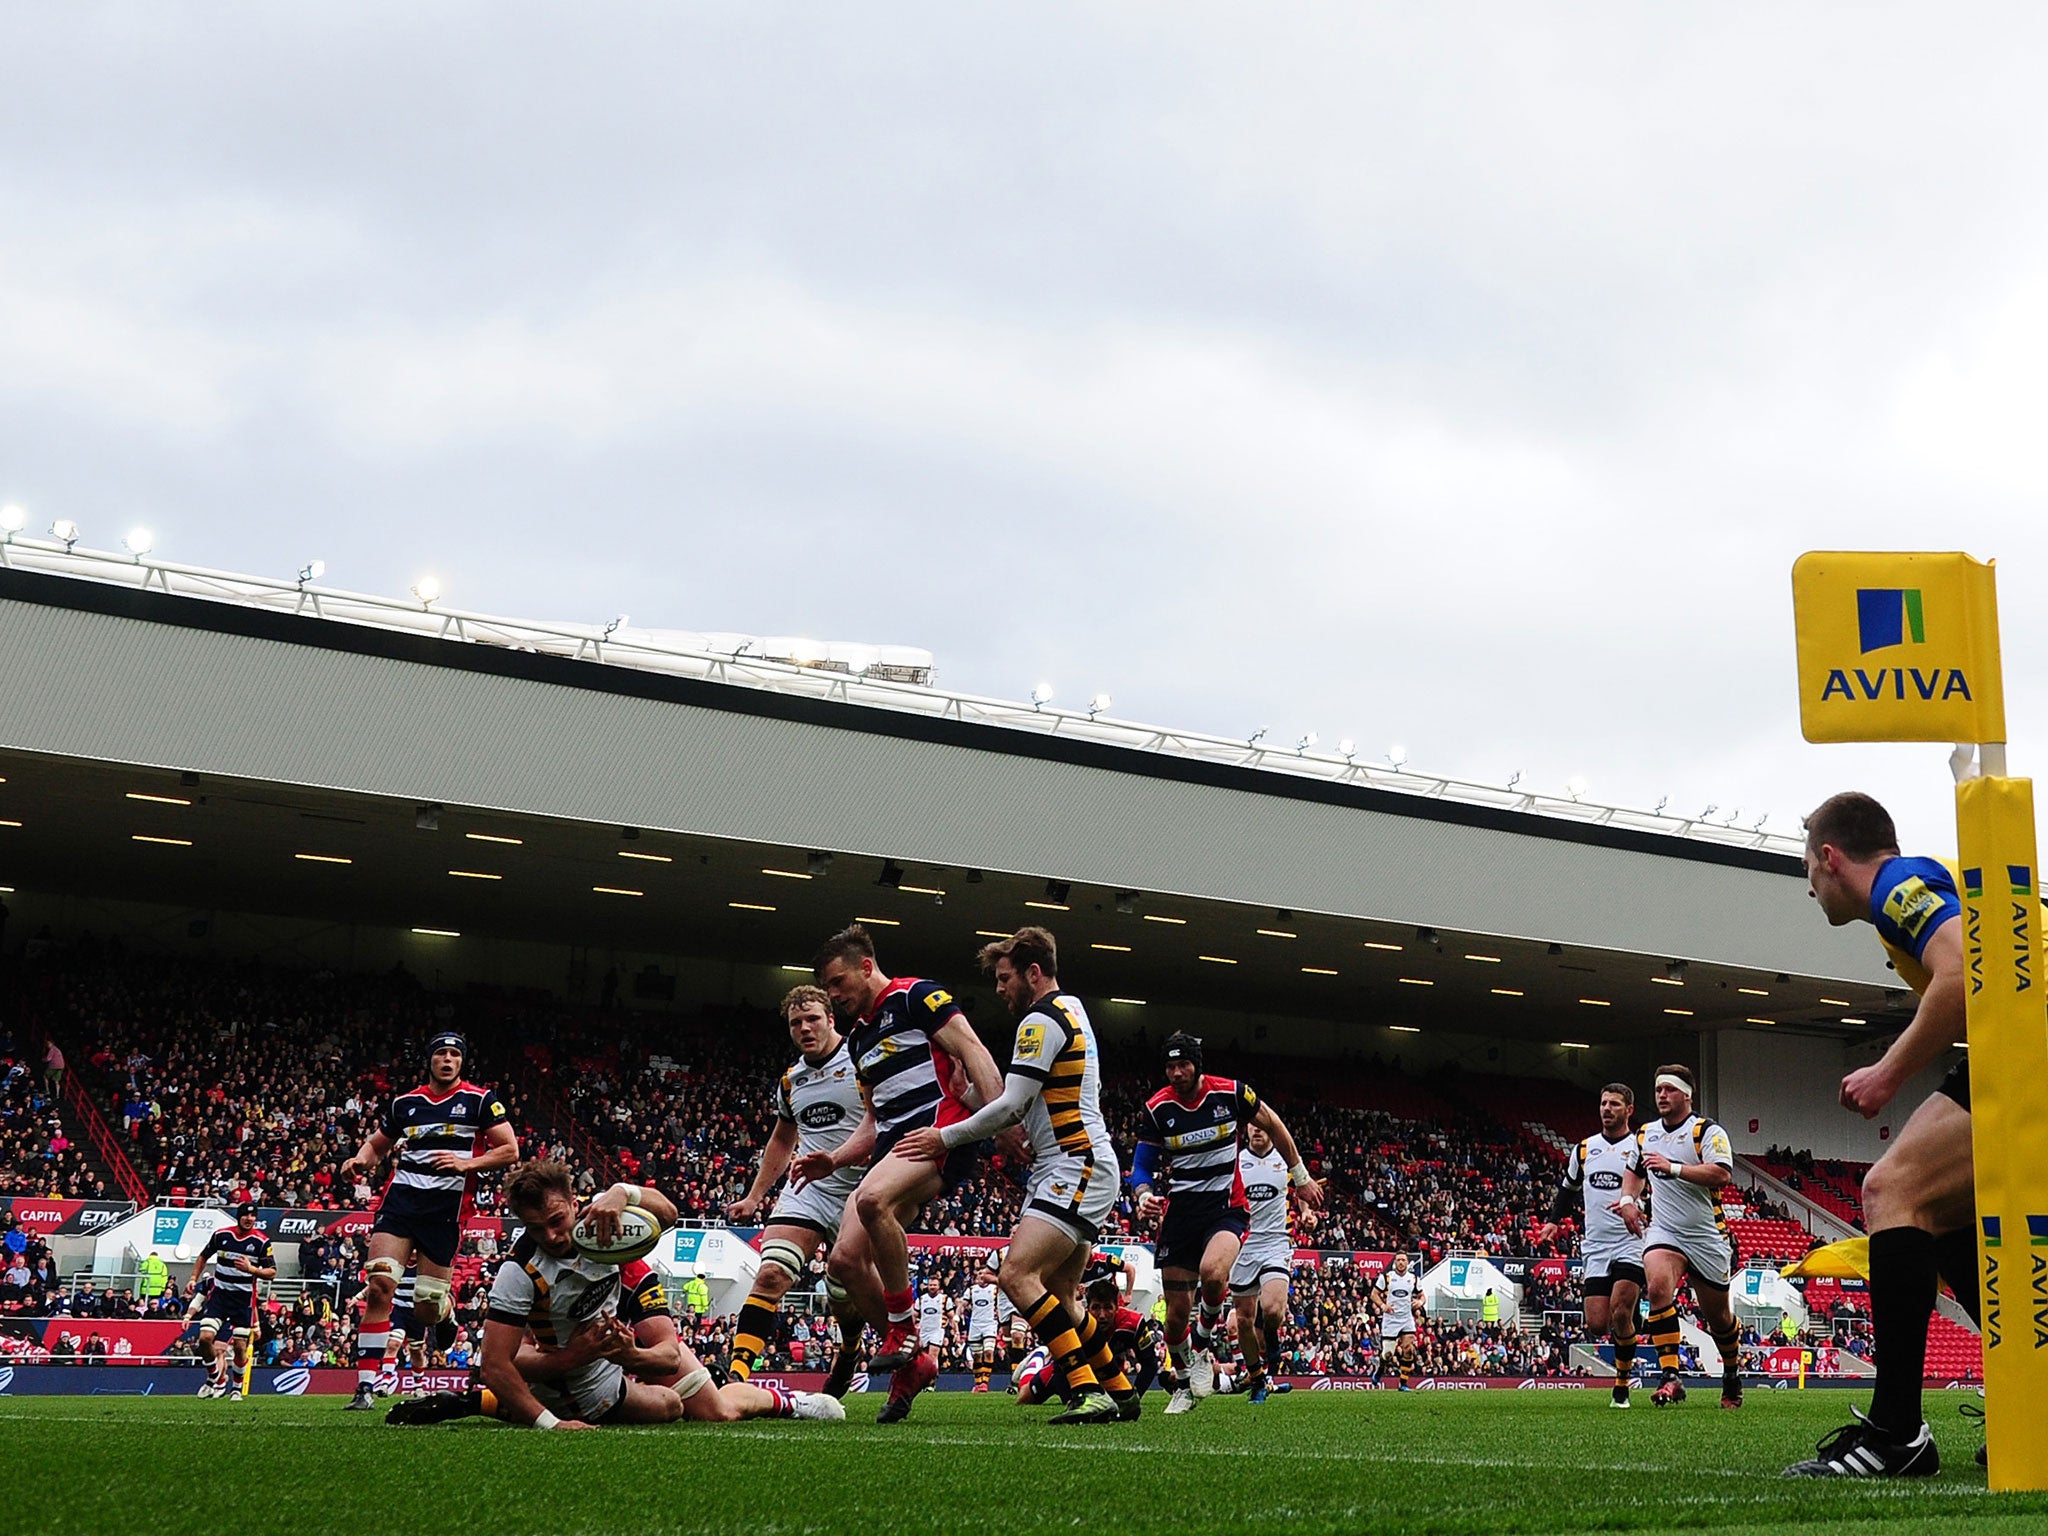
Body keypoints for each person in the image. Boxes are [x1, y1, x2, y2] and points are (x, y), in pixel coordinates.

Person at [1786, 792, 1973, 1478]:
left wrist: (1888, 1074)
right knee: (1940, 1215)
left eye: (1807, 869)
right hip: (2021, 1041)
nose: (1810, 888)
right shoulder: (1920, 886)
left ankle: (1897, 1433)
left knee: (1890, 1190)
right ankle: (2026, 1393)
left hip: (2033, 1041)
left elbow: (1960, 977)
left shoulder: (1900, 886)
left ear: (1830, 858)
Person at [392, 1160, 841, 1428]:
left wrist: (623, 1192)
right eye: (536, 1227)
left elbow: (666, 1352)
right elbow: (497, 1361)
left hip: (614, 1358)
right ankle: (484, 1402)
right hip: (572, 1367)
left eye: (557, 1220)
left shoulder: (617, 1244)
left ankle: (793, 1402)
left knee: (716, 1411)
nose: (551, 1235)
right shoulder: (520, 1270)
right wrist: (577, 1362)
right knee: (666, 1404)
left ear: (574, 1202)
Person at [893, 926, 1132, 1424]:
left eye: (1005, 978)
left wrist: (947, 1136)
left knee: (1016, 1276)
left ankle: (1086, 1392)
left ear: (1033, 973)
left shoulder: (1040, 1020)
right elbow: (1024, 1106)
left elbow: (1013, 1108)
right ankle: (1119, 1387)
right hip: (1075, 1162)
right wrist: (973, 1096)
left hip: (1073, 1164)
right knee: (1061, 1295)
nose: (999, 989)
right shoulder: (1072, 1010)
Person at [801, 924, 1003, 1423]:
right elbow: (874, 1119)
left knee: (872, 1202)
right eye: (826, 986)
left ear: (865, 967)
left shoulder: (916, 996)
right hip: (893, 1147)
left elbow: (972, 1049)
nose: (833, 994)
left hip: (939, 1131)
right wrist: (836, 1158)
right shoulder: (860, 1038)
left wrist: (1000, 1117)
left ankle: (901, 1327)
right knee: (844, 1261)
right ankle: (913, 1365)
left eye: (836, 981)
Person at [1129, 1032, 1322, 1414]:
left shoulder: (1231, 1093)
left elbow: (1275, 1124)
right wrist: (1142, 1194)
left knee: (1214, 1274)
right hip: (1181, 1212)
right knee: (1175, 1316)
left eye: (1183, 1064)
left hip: (1224, 1207)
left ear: (1197, 1064)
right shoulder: (1156, 1109)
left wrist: (1300, 1176)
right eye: (1170, 1066)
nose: (1177, 1072)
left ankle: (1201, 1349)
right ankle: (1184, 1382)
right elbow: (1141, 1166)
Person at [338, 1032, 519, 1410]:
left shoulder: (480, 1100)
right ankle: (365, 1387)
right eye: (441, 1054)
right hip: (401, 1204)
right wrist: (359, 1161)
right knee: (379, 1286)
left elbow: (509, 1150)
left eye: (455, 1054)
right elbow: (376, 1145)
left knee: (427, 1307)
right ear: (430, 1061)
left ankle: (447, 1313)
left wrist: (467, 1163)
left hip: (446, 1213)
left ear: (461, 1062)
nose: (448, 1060)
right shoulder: (406, 1103)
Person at [722, 985, 866, 1397]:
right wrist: (754, 1196)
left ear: (831, 1020)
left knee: (842, 1295)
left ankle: (850, 1349)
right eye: (796, 1023)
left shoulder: (861, 1059)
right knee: (770, 1274)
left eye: (813, 1019)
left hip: (861, 1191)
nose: (805, 1028)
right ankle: (736, 1377)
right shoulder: (792, 1080)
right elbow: (783, 1139)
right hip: (808, 1189)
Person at [1615, 1064, 1743, 1410]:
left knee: (1719, 1319)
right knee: (1656, 1289)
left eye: (1669, 1089)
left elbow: (1721, 1174)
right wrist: (1628, 1201)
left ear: (1686, 1094)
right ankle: (1670, 1376)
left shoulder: (1707, 1131)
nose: (1662, 1096)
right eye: (1658, 1090)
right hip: (1665, 1230)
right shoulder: (1645, 1134)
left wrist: (1673, 1167)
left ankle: (1731, 1376)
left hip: (1707, 1236)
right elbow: (1633, 1173)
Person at [1536, 1083, 1645, 1408]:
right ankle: (1632, 1324)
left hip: (1631, 1239)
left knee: (1621, 1310)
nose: (1607, 1109)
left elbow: (1662, 1190)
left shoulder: (1640, 1147)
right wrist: (1554, 1220)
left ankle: (1621, 1387)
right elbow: (1568, 1188)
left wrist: (1644, 1209)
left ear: (1629, 1110)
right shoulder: (1585, 1149)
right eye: (1603, 1103)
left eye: (1614, 1104)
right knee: (1598, 1324)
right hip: (1596, 1245)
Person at [1230, 1121, 1298, 1404]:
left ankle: (1271, 1348)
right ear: (1245, 1130)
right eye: (1252, 1126)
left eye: (1262, 1126)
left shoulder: (1285, 1159)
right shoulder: (1236, 1162)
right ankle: (1259, 1379)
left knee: (1272, 1310)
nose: (1257, 1130)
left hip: (1275, 1242)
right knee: (1244, 1320)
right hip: (1243, 1245)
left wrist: (1305, 1211)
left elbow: (1299, 1189)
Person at [192, 1204, 275, 1400]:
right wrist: (193, 1278)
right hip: (220, 1296)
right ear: (239, 1217)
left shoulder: (261, 1241)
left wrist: (252, 1270)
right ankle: (215, 1379)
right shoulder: (221, 1235)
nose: (249, 1218)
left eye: (253, 1215)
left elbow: (272, 1272)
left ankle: (237, 1388)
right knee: (204, 1338)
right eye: (245, 1214)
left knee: (239, 1347)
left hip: (243, 1300)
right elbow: (203, 1256)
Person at [1374, 1251, 1424, 1390]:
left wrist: (1420, 1302)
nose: (1401, 1262)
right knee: (1388, 1355)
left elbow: (1422, 1296)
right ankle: (1379, 1370)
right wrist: (1383, 1306)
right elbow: (1374, 1294)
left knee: (1408, 1349)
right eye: (1398, 1260)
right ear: (1395, 1262)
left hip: (1406, 1318)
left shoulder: (1413, 1278)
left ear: (1407, 1263)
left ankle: (1403, 1383)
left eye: (1403, 1260)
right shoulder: (1387, 1277)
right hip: (1391, 1319)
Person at [967, 1265, 1001, 1391]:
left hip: (990, 1324)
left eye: (983, 1273)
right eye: (979, 1273)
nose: (981, 1275)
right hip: (975, 1325)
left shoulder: (995, 1289)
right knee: (977, 1355)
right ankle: (978, 1383)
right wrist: (958, 1314)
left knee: (988, 1351)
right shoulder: (971, 1290)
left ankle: (985, 1383)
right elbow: (963, 1303)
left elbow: (1001, 1303)